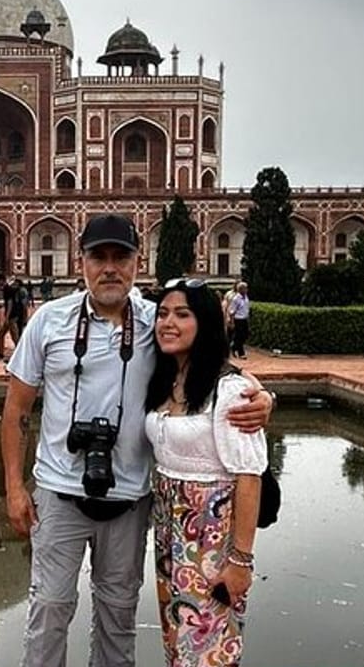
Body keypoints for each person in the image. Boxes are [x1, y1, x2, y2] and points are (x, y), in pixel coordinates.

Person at [0, 213, 273, 667]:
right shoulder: (49, 320)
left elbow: (215, 367)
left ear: (136, 263)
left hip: (129, 497)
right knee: (49, 606)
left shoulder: (157, 321)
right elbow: (15, 411)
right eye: (98, 257)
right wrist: (13, 487)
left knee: (119, 610)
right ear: (81, 262)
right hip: (58, 492)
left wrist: (263, 395)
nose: (110, 268)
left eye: (120, 257)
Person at [145, 279, 268, 666]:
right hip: (169, 533)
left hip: (210, 539)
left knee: (209, 644)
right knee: (177, 641)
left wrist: (240, 562)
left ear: (206, 323)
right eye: (163, 314)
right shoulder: (165, 378)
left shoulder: (228, 390)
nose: (169, 323)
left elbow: (250, 476)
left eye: (183, 314)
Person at [227, 281, 251, 359]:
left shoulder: (246, 297)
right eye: (245, 288)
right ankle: (241, 353)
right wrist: (232, 321)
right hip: (238, 319)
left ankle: (234, 346)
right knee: (239, 336)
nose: (247, 290)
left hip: (244, 318)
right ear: (240, 289)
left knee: (245, 335)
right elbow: (231, 311)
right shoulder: (236, 299)